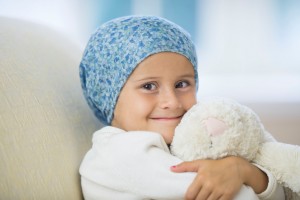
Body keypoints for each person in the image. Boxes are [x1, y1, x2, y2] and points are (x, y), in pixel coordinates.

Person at [79, 15, 284, 200]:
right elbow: (239, 195)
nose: (173, 102)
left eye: (182, 84)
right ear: (108, 95)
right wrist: (241, 173)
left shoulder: (188, 141)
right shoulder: (119, 153)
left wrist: (243, 170)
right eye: (149, 86)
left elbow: (284, 192)